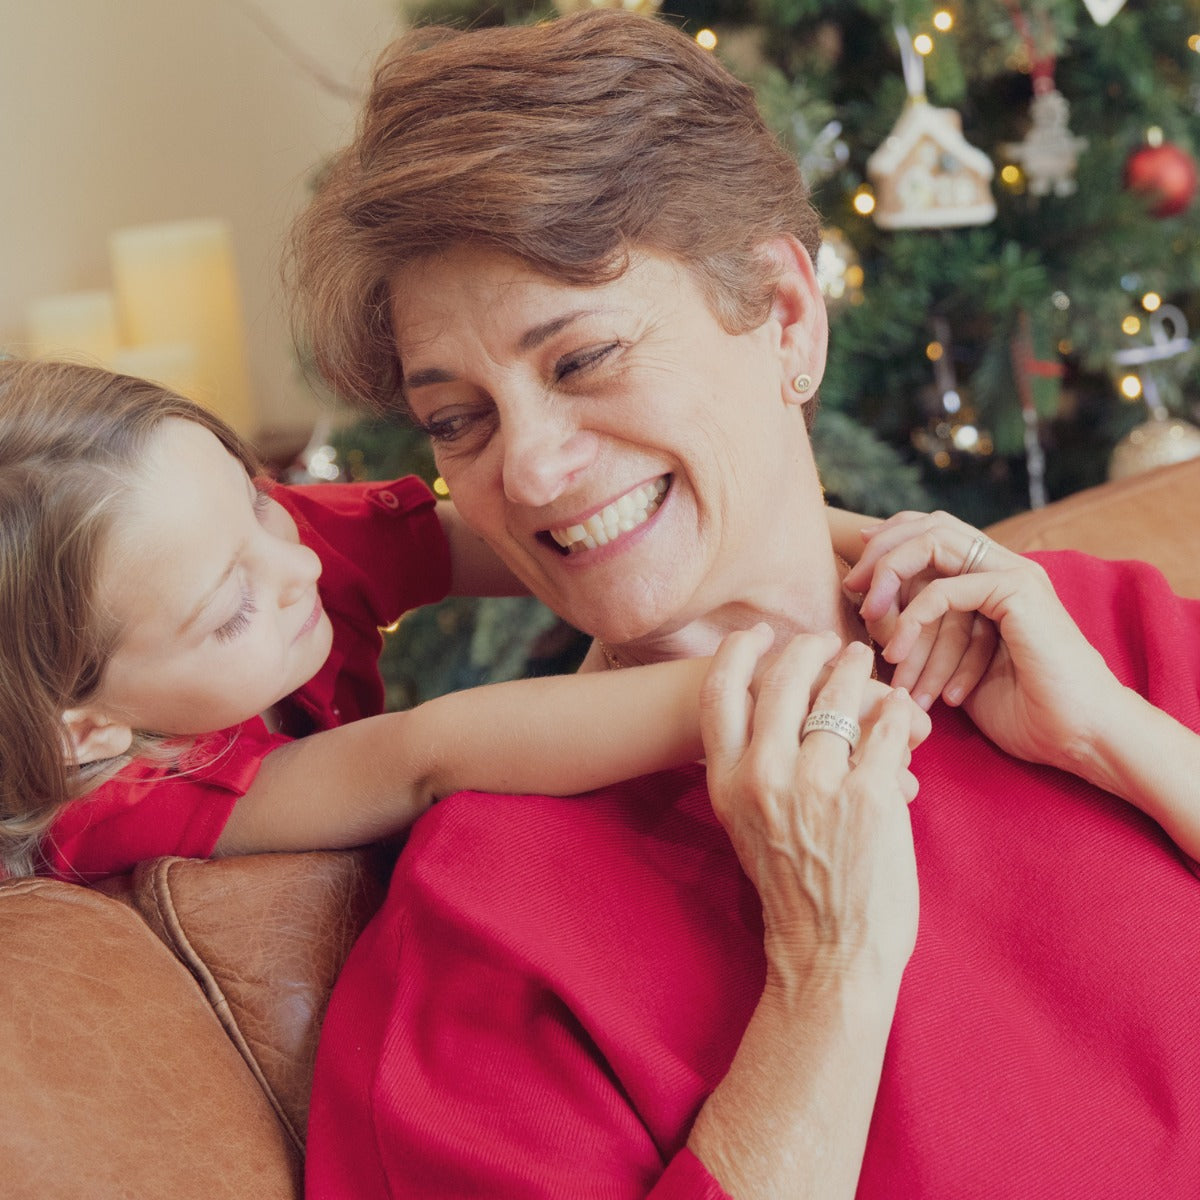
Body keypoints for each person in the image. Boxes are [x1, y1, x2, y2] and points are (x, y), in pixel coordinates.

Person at [290, 11, 1200, 1198]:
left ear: (784, 316)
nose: (528, 473)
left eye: (580, 360)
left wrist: (1115, 741)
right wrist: (831, 971)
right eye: (460, 418)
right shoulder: (490, 925)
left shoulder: (1101, 641)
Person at [1, 356, 907, 885]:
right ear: (86, 729)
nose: (303, 563)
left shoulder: (254, 552)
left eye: (260, 500)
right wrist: (799, 678)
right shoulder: (121, 805)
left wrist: (874, 545)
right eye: (231, 609)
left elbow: (546, 532)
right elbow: (428, 755)